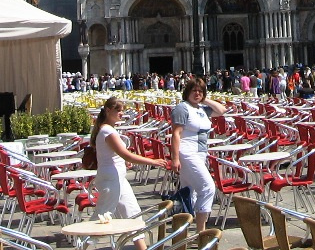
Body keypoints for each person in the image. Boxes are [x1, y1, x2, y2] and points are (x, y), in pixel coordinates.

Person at [92, 97, 169, 246]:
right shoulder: (107, 131)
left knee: (133, 214)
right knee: (100, 217)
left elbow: (116, 155)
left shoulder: (107, 129)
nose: (121, 113)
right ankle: (82, 245)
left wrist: (123, 161)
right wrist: (153, 162)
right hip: (111, 180)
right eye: (118, 110)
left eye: (122, 110)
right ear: (108, 111)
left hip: (117, 178)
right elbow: (126, 154)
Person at [171, 79, 228, 232]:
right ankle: (201, 230)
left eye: (200, 91)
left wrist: (205, 99)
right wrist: (175, 158)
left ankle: (184, 228)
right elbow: (176, 134)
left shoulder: (202, 109)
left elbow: (222, 110)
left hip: (201, 153)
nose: (197, 94)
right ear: (187, 91)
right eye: (194, 90)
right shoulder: (182, 108)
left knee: (191, 191)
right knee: (208, 187)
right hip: (187, 151)